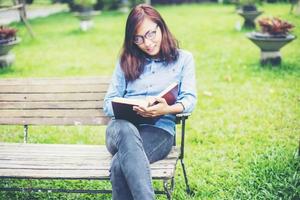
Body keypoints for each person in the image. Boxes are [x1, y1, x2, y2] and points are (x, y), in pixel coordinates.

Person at [103, 3, 197, 200]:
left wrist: (166, 109)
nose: (147, 43)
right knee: (127, 130)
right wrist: (137, 105)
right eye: (138, 38)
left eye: (151, 34)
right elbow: (108, 102)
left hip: (159, 131)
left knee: (120, 165)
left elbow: (189, 99)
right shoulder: (125, 61)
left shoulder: (183, 59)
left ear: (161, 27)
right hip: (121, 129)